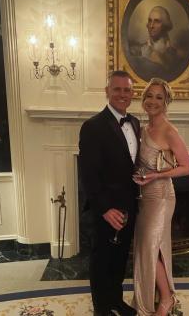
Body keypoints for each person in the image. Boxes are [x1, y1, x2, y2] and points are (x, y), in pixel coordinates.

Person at [79, 70, 140, 316]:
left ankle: (115, 300)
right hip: (107, 209)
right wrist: (104, 209)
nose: (122, 94)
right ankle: (101, 309)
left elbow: (131, 164)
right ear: (107, 92)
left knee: (120, 258)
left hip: (129, 206)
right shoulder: (93, 126)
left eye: (127, 90)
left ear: (132, 94)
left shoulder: (135, 122)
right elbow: (88, 174)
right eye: (117, 89)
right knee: (101, 260)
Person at [132, 78, 189, 315]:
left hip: (162, 197)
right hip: (144, 197)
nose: (153, 101)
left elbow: (187, 167)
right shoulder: (143, 129)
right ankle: (155, 296)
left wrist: (156, 175)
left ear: (166, 102)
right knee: (146, 248)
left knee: (149, 247)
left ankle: (166, 299)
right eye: (149, 96)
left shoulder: (169, 130)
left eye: (159, 97)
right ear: (143, 99)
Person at [128, 6, 183, 82]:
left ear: (165, 25)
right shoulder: (138, 50)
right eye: (150, 21)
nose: (151, 26)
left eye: (157, 21)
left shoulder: (175, 54)